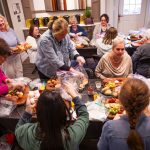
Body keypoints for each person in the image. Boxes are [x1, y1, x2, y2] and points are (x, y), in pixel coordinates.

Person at [15, 82, 89, 150]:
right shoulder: (73, 136)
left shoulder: (25, 133)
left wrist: (27, 111)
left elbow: (18, 129)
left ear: (37, 111)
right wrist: (74, 95)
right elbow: (84, 116)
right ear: (63, 112)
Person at [97, 78, 150, 150]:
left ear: (120, 101)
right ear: (147, 102)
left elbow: (101, 148)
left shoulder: (110, 127)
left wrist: (114, 123)